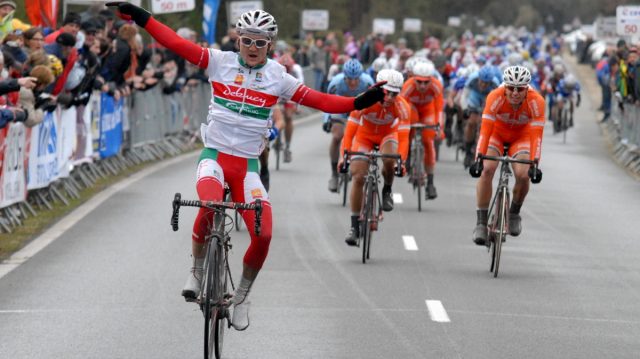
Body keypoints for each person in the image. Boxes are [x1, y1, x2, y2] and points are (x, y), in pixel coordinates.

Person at [106, 2, 385, 331]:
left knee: (264, 233)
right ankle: (196, 270)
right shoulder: (218, 61)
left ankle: (241, 295)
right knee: (210, 202)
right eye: (247, 39)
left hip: (248, 166)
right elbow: (174, 42)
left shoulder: (278, 77)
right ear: (237, 40)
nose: (252, 47)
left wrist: (356, 103)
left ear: (271, 45)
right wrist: (141, 16)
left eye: (260, 41)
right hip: (215, 157)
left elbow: (320, 100)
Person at [469, 65, 544, 246]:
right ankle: (481, 222)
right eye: (511, 88)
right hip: (497, 135)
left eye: (520, 89)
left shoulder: (536, 101)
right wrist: (478, 157)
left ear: (527, 88)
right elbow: (485, 131)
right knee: (487, 170)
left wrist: (535, 163)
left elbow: (536, 136)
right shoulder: (495, 96)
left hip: (522, 137)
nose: (515, 93)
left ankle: (514, 212)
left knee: (523, 175)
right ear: (505, 86)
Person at [339, 69, 410, 246]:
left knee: (389, 158)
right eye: (387, 92)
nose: (391, 97)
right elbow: (350, 131)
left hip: (388, 135)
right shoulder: (364, 100)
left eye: (395, 93)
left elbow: (403, 137)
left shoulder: (402, 106)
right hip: (365, 136)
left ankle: (387, 189)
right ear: (378, 89)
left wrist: (402, 161)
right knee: (357, 177)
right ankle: (354, 226)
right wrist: (344, 156)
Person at [324, 59, 374, 192]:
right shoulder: (335, 83)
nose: (352, 82)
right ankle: (334, 174)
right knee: (337, 135)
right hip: (341, 111)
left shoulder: (368, 82)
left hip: (359, 112)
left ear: (360, 76)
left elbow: (374, 103)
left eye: (356, 79)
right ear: (344, 76)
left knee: (362, 137)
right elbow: (327, 103)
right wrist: (326, 120)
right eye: (349, 79)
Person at [399, 61, 444, 200]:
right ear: (413, 79)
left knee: (428, 141)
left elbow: (439, 109)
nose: (423, 86)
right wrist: (402, 128)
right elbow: (401, 108)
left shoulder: (437, 86)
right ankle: (407, 159)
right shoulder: (407, 86)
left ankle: (430, 183)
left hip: (427, 109)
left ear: (431, 79)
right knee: (409, 127)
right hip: (410, 107)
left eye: (426, 82)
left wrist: (439, 127)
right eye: (419, 82)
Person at [459, 66, 500, 168]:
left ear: (490, 82)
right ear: (478, 79)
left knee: (485, 126)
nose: (483, 85)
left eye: (486, 83)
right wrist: (465, 109)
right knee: (471, 122)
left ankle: (480, 151)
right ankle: (468, 151)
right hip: (475, 96)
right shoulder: (472, 78)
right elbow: (464, 95)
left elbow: (499, 101)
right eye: (481, 82)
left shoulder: (495, 84)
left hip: (488, 97)